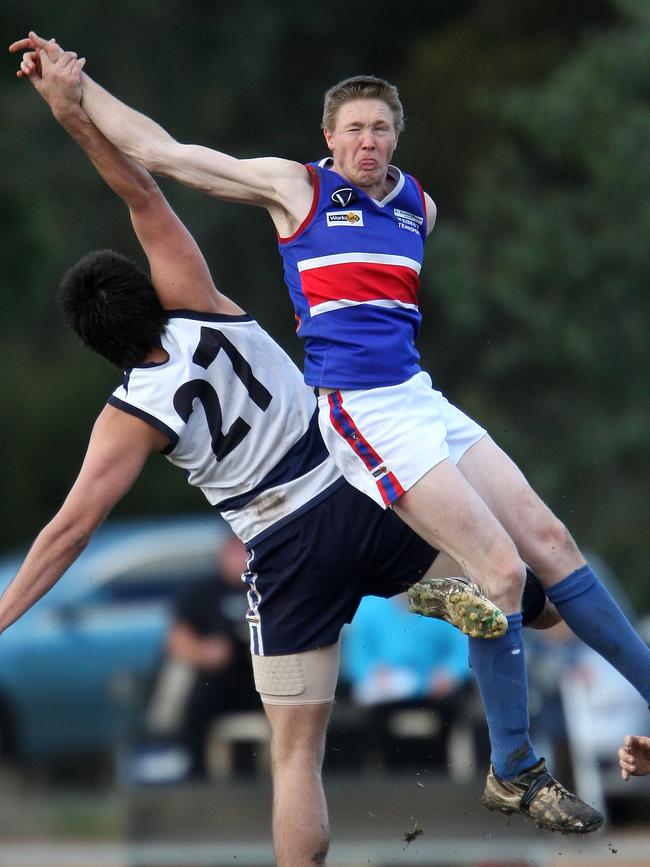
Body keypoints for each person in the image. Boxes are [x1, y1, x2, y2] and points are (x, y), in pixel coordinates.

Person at [16, 31, 649, 834]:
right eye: (352, 128)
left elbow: (70, 529)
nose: (367, 141)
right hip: (358, 429)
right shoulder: (264, 234)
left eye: (380, 128)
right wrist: (79, 92)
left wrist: (70, 99)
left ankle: (486, 666)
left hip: (364, 453)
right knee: (509, 582)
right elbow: (158, 169)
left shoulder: (412, 206)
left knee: (546, 553)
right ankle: (509, 750)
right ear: (327, 137)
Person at [158, 533, 258, 779]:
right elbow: (176, 638)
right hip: (215, 679)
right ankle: (196, 772)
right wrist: (204, 652)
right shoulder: (203, 592)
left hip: (257, 677)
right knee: (197, 705)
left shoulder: (264, 591)